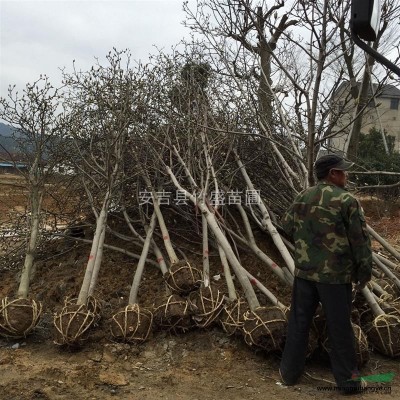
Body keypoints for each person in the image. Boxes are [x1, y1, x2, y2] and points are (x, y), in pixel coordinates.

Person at [279, 154, 372, 394]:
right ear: (332, 173)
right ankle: (348, 383)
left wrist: (307, 248)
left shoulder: (303, 196)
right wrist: (364, 272)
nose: (346, 175)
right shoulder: (346, 201)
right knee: (339, 328)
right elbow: (360, 241)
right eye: (343, 171)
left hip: (305, 274)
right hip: (335, 277)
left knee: (299, 323)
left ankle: (289, 374)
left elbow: (287, 226)